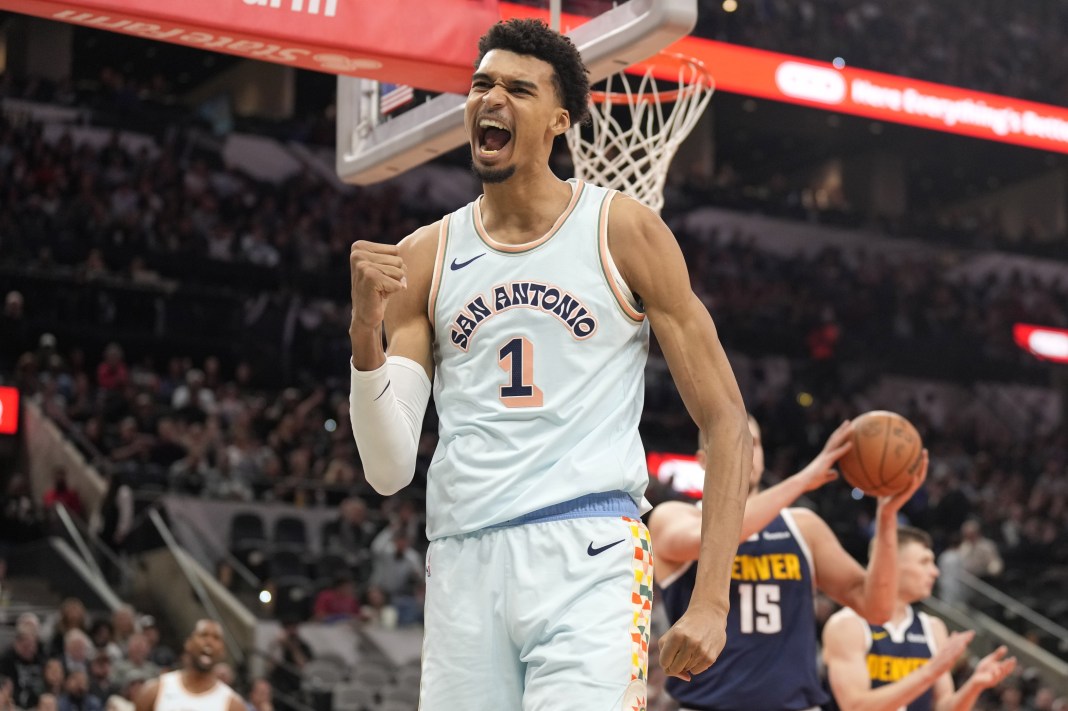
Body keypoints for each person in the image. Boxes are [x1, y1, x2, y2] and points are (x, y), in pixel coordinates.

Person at [348, 17, 751, 708]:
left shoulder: (622, 230)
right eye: (481, 85)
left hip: (588, 549)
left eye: (517, 88)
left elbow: (725, 419)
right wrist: (364, 329)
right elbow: (387, 468)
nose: (491, 97)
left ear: (559, 121)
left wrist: (712, 597)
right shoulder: (424, 255)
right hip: (463, 556)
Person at [650, 417, 928, 710]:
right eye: (733, 442)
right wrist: (803, 479)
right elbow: (714, 536)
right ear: (703, 461)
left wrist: (887, 516)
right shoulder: (674, 517)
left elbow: (877, 607)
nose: (745, 452)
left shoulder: (803, 527)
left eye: (753, 443)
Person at [822, 526, 1017, 711]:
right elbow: (855, 707)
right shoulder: (848, 625)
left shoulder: (932, 627)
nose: (935, 571)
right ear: (890, 563)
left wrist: (974, 685)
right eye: (924, 562)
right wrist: (928, 672)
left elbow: (944, 707)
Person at [133, 620, 243, 711]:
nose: (209, 642)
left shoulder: (233, 705)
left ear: (223, 651)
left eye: (216, 638)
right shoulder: (155, 690)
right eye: (203, 635)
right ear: (188, 643)